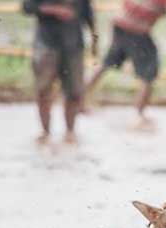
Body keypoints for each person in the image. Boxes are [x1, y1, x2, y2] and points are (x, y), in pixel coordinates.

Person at [85, 0, 166, 125]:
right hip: (137, 29)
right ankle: (139, 113)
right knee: (149, 71)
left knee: (107, 63)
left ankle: (78, 98)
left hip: (121, 24)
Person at [23, 0, 96, 143]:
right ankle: (45, 131)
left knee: (74, 91)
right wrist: (54, 10)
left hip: (74, 44)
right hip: (46, 44)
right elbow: (27, 7)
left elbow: (88, 13)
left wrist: (94, 38)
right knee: (43, 89)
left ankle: (70, 131)